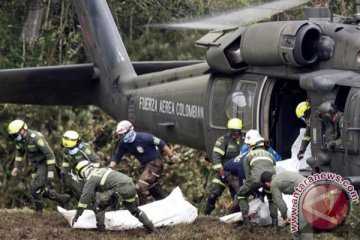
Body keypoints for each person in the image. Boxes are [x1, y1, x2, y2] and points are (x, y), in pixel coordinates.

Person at [109, 120, 180, 205]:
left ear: (130, 130)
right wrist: (109, 169)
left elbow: (161, 143)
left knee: (140, 187)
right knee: (152, 187)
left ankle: (143, 210)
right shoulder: (123, 144)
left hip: (156, 163)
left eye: (123, 134)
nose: (122, 137)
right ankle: (168, 204)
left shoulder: (145, 137)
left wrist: (171, 156)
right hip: (146, 166)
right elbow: (117, 158)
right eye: (120, 135)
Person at [71, 160, 155, 232]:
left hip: (120, 189)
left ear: (82, 172)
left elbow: (85, 198)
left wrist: (78, 214)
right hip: (131, 186)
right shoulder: (102, 170)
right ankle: (151, 228)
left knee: (99, 205)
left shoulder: (91, 178)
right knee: (134, 210)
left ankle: (101, 230)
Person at [8, 119, 70, 212]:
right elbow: (19, 153)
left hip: (45, 163)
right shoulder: (20, 141)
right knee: (35, 189)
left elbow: (50, 154)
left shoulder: (36, 138)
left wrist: (50, 171)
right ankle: (61, 198)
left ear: (22, 130)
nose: (15, 137)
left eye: (15, 135)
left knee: (35, 187)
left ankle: (39, 212)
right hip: (36, 164)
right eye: (13, 136)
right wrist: (16, 167)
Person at [223, 137, 281, 213]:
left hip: (241, 170)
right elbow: (246, 179)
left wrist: (261, 192)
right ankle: (233, 214)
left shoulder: (258, 155)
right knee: (242, 193)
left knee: (252, 188)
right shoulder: (247, 159)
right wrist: (253, 191)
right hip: (230, 172)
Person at [237, 129, 277, 228]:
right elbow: (274, 171)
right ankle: (275, 223)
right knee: (272, 198)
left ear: (253, 144)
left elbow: (247, 176)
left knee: (241, 194)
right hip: (270, 180)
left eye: (248, 144)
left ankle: (246, 223)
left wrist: (252, 190)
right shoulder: (271, 155)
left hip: (255, 180)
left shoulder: (248, 156)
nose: (247, 146)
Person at [203, 118, 243, 215]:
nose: (234, 134)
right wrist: (221, 172)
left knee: (238, 198)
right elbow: (216, 157)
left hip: (235, 175)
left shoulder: (244, 142)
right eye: (232, 131)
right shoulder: (223, 141)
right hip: (223, 173)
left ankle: (236, 217)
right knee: (212, 195)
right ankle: (205, 215)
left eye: (237, 132)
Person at [261, 171, 312, 240]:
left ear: (266, 183)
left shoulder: (273, 184)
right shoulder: (279, 176)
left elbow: (280, 202)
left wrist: (285, 216)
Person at [61, 130, 103, 198]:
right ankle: (86, 206)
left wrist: (91, 174)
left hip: (90, 171)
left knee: (95, 190)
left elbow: (96, 161)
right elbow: (65, 160)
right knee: (79, 192)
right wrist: (63, 171)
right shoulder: (66, 150)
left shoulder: (84, 148)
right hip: (77, 173)